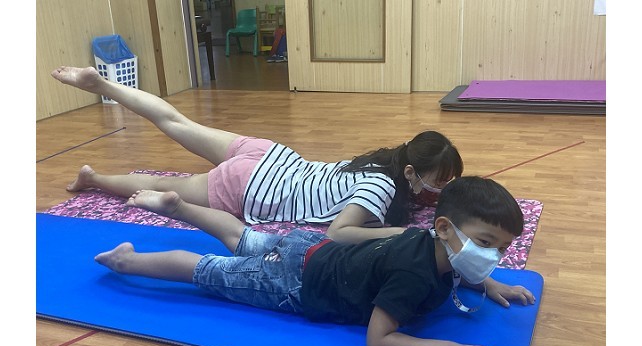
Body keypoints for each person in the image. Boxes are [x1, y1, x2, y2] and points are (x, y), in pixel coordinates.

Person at [95, 176, 536, 346]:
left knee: (241, 236)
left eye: (501, 248)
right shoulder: (414, 276)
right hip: (293, 281)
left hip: (312, 247)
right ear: (444, 227)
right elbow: (379, 341)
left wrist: (489, 282)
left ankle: (178, 207)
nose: (492, 256)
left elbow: (460, 264)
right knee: (207, 270)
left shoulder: (432, 240)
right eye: (486, 243)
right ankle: (127, 262)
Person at [51, 66, 463, 245]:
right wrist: (402, 233)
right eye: (439, 181)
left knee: (176, 121)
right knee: (160, 184)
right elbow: (338, 233)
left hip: (272, 156)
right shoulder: (381, 188)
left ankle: (103, 85)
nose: (440, 189)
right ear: (412, 172)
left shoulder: (388, 159)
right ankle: (93, 179)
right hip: (252, 188)